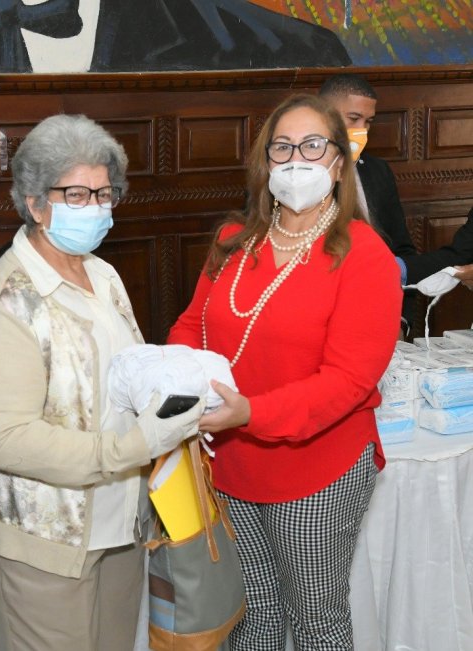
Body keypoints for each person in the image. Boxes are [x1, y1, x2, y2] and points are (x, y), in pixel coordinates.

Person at [0, 113, 204, 651]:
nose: (94, 206)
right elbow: (6, 440)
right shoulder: (6, 302)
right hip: (41, 536)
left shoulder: (101, 273)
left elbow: (123, 371)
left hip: (118, 524)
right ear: (35, 204)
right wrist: (133, 446)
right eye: (75, 193)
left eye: (103, 193)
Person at [168, 94, 401, 650]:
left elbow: (349, 381)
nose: (297, 159)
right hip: (230, 462)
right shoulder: (233, 240)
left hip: (318, 468)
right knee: (251, 617)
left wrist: (251, 412)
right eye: (282, 147)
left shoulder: (364, 254)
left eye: (313, 146)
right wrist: (179, 377)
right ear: (264, 161)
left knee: (316, 620)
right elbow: (190, 325)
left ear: (339, 163)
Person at [319, 73, 420, 332]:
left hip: (381, 317)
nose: (362, 129)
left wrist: (401, 321)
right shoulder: (292, 176)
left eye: (368, 121)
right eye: (353, 119)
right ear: (323, 115)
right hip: (320, 319)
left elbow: (402, 250)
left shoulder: (378, 171)